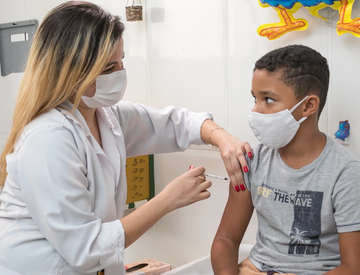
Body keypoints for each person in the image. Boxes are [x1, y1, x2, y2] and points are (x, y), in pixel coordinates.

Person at [0, 2, 252, 275]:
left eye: (122, 61)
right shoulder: (47, 138)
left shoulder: (105, 116)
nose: (120, 73)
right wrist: (168, 199)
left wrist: (222, 137)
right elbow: (86, 250)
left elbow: (174, 123)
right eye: (109, 68)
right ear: (70, 71)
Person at [211, 45, 360, 275]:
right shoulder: (253, 161)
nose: (255, 111)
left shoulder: (345, 172)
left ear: (308, 106)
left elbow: (353, 267)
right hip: (256, 268)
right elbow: (226, 239)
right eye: (255, 98)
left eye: (268, 99)